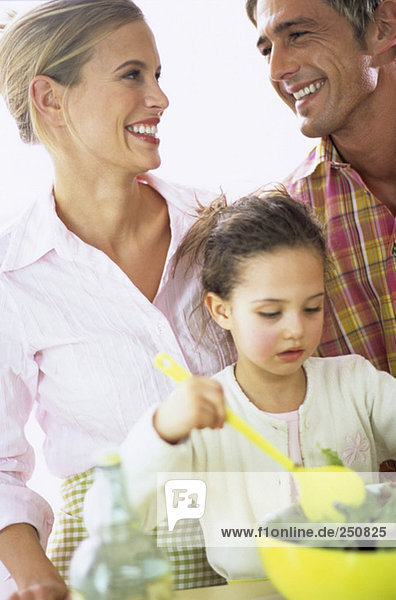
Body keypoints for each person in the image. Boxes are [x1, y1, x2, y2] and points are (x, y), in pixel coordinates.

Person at [0, 1, 236, 598]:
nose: (159, 98)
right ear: (50, 100)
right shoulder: (13, 278)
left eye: (159, 76)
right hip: (112, 577)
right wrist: (38, 585)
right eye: (133, 74)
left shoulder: (217, 226)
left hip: (253, 554)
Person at [118, 190, 396, 581]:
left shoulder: (356, 383)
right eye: (271, 312)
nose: (296, 329)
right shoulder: (205, 418)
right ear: (222, 310)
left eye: (312, 307)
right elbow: (122, 511)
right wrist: (164, 430)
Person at [244, 0, 396, 378]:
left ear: (383, 27)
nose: (277, 70)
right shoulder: (287, 225)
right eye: (266, 50)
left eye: (298, 34)